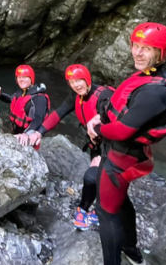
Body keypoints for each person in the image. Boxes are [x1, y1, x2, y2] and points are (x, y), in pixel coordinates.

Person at [86, 22, 166, 265]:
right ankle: (132, 252)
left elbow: (121, 131)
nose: (137, 52)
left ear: (161, 54)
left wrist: (98, 128)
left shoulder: (157, 93)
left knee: (106, 211)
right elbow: (126, 109)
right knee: (120, 200)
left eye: (147, 48)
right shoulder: (155, 77)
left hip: (120, 157)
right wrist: (102, 116)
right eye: (135, 45)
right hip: (130, 154)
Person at [42, 64, 114, 230]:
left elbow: (110, 109)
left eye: (79, 80)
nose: (76, 85)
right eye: (72, 82)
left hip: (114, 144)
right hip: (97, 144)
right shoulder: (76, 97)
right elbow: (57, 114)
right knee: (95, 178)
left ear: (87, 79)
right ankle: (88, 211)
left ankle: (92, 212)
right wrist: (38, 132)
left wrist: (99, 118)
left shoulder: (104, 94)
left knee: (95, 178)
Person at [0, 64, 50, 148]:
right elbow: (12, 99)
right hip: (16, 132)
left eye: (25, 77)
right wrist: (0, 95)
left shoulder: (39, 98)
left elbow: (38, 120)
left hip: (29, 137)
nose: (21, 80)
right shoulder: (21, 92)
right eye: (19, 77)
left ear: (31, 78)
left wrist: (26, 134)